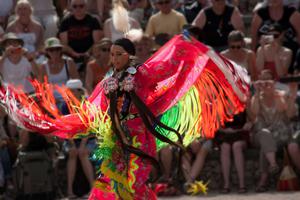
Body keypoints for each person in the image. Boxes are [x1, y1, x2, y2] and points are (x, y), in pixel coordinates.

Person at [0, 34, 250, 199]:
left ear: (129, 55)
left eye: (119, 54)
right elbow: (92, 108)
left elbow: (172, 74)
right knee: (109, 186)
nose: (114, 58)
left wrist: (188, 49)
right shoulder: (109, 80)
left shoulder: (143, 73)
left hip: (140, 140)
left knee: (134, 186)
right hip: (117, 141)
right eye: (112, 54)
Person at [250, 69, 298, 192]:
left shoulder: (281, 94)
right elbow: (254, 114)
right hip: (260, 135)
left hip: (280, 135)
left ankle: (264, 179)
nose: (265, 83)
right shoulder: (256, 97)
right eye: (262, 80)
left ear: (274, 81)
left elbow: (284, 110)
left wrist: (273, 93)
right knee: (265, 135)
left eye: (268, 80)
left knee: (265, 147)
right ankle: (273, 164)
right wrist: (256, 93)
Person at [62, 79, 96, 199]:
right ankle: (70, 191)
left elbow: (89, 128)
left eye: (72, 91)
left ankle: (92, 189)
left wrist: (81, 145)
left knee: (83, 153)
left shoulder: (87, 104)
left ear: (78, 91)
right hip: (71, 139)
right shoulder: (65, 105)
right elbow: (66, 128)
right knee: (72, 153)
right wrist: (72, 145)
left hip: (88, 139)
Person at [250, 0, 300, 73]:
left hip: (288, 52)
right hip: (265, 51)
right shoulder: (260, 14)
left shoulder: (292, 13)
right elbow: (254, 38)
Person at [58, 0, 102, 73]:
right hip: (71, 55)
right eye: (75, 6)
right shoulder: (65, 22)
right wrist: (74, 53)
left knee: (95, 59)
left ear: (86, 7)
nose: (78, 8)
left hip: (90, 54)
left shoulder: (93, 21)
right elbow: (64, 44)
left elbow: (97, 42)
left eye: (81, 6)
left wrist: (87, 53)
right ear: (71, 7)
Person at [215, 111, 251, 194]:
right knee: (225, 147)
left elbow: (251, 121)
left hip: (241, 134)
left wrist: (247, 126)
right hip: (225, 134)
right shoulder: (221, 106)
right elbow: (217, 126)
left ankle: (242, 184)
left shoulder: (243, 106)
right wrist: (225, 130)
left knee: (237, 146)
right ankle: (226, 184)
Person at [40, 37, 79, 108]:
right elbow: (43, 87)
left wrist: (70, 97)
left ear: (61, 50)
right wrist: (51, 99)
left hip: (68, 97)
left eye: (57, 49)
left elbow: (76, 82)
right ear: (47, 52)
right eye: (51, 50)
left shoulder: (69, 62)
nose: (55, 52)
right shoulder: (44, 66)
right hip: (52, 99)